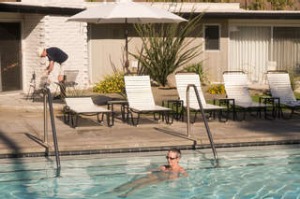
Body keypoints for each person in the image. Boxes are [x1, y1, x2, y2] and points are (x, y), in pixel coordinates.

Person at [112, 148, 187, 198]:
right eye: (167, 157)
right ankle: (115, 191)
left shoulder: (180, 170)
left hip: (160, 180)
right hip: (156, 177)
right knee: (134, 182)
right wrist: (151, 171)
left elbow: (186, 180)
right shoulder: (165, 167)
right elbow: (153, 170)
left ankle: (126, 195)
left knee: (142, 185)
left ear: (178, 159)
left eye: (171, 158)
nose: (168, 160)